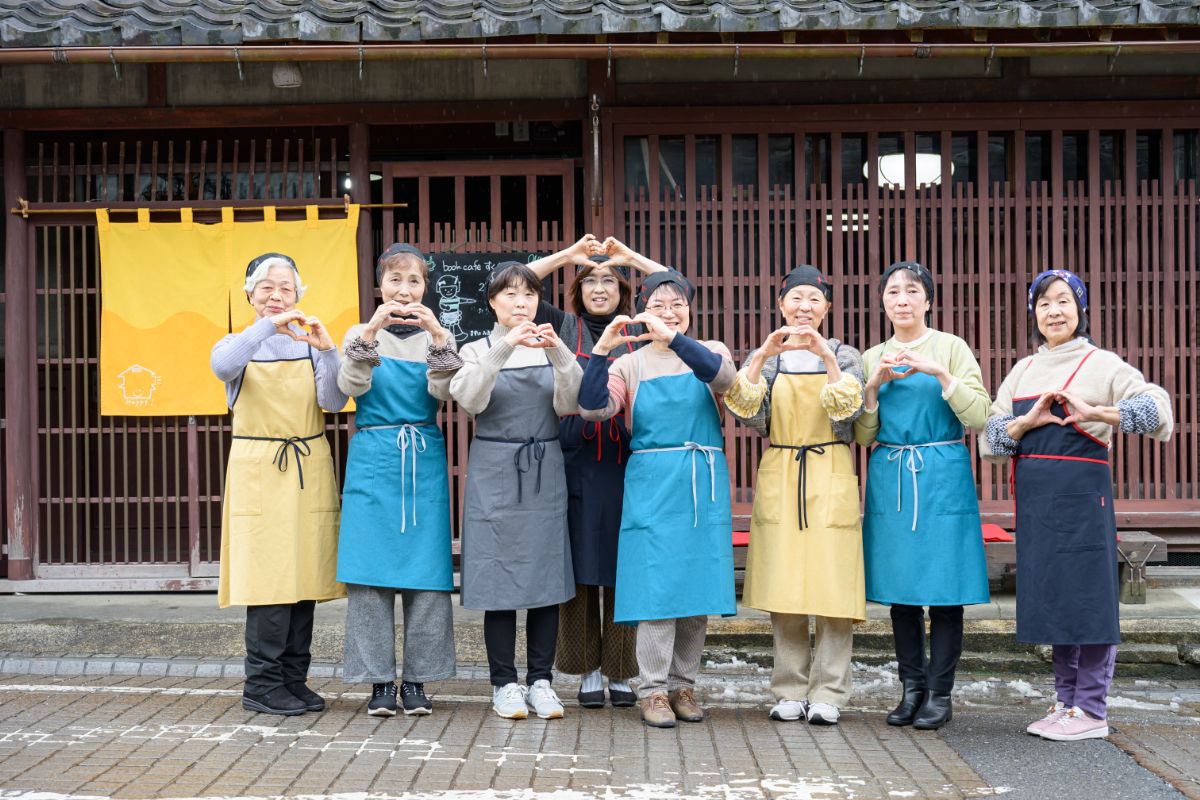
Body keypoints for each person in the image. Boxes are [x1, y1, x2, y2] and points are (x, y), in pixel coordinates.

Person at [981, 269, 1172, 742]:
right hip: (1036, 502)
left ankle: (1091, 707)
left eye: (1063, 301)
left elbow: (1159, 410)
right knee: (1054, 599)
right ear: (1034, 313)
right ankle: (1065, 701)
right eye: (1044, 302)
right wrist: (1026, 421)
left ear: (1080, 309)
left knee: (1089, 599)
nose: (1054, 311)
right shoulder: (1022, 371)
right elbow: (991, 440)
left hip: (1084, 498)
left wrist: (1098, 412)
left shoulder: (1102, 364)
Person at [579, 269, 737, 729]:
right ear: (642, 312)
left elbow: (724, 379)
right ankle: (652, 691)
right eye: (658, 306)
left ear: (690, 310)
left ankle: (683, 685)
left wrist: (675, 340)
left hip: (702, 482)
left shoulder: (710, 351)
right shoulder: (629, 364)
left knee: (696, 589)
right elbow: (593, 407)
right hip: (652, 483)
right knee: (656, 590)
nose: (669, 313)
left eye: (677, 305)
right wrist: (602, 350)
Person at [526, 234, 668, 709]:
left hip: (629, 460)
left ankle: (623, 670)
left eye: (610, 280)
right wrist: (568, 256)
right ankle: (586, 667)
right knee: (581, 568)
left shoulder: (640, 327)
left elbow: (673, 287)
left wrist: (631, 259)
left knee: (624, 565)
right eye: (591, 281)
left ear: (625, 291)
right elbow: (517, 283)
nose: (601, 288)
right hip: (574, 460)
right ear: (579, 290)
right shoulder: (564, 326)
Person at [724, 265, 867, 726]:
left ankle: (829, 691)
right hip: (783, 469)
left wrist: (826, 358)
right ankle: (788, 688)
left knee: (833, 588)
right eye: (796, 298)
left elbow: (847, 413)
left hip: (829, 469)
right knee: (784, 586)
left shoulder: (845, 355)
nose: (804, 307)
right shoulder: (769, 355)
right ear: (781, 304)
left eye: (814, 299)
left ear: (827, 307)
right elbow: (748, 412)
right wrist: (762, 357)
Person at [853, 260, 991, 731]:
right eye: (893, 291)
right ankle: (911, 689)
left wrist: (941, 374)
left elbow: (979, 416)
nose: (903, 299)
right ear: (883, 302)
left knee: (946, 591)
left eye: (912, 291)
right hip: (892, 475)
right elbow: (864, 436)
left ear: (929, 300)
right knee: (903, 593)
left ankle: (940, 692)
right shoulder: (872, 357)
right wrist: (873, 388)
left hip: (942, 473)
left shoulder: (951, 348)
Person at [211, 252, 348, 716]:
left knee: (305, 577)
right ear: (249, 295)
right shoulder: (238, 343)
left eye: (286, 288)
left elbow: (334, 400)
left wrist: (327, 350)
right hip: (261, 470)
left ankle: (293, 679)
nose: (276, 296)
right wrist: (268, 327)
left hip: (308, 466)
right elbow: (222, 366)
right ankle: (262, 684)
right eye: (266, 287)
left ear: (299, 294)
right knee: (269, 581)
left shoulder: (310, 345)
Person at [449, 261, 583, 721]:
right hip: (495, 468)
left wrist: (560, 352)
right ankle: (504, 683)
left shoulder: (551, 347)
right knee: (498, 578)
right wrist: (505, 346)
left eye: (529, 294)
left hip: (545, 465)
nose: (521, 303)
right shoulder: (475, 349)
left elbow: (572, 403)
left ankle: (541, 681)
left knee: (546, 576)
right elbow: (470, 399)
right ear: (492, 302)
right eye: (510, 294)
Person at [337, 243, 461, 717]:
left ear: (425, 288)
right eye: (395, 280)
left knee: (426, 575)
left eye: (414, 281)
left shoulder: (439, 335)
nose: (404, 290)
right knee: (369, 575)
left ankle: (417, 681)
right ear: (380, 285)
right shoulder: (360, 333)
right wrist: (371, 333)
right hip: (374, 455)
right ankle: (378, 683)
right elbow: (350, 388)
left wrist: (438, 337)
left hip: (422, 457)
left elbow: (443, 392)